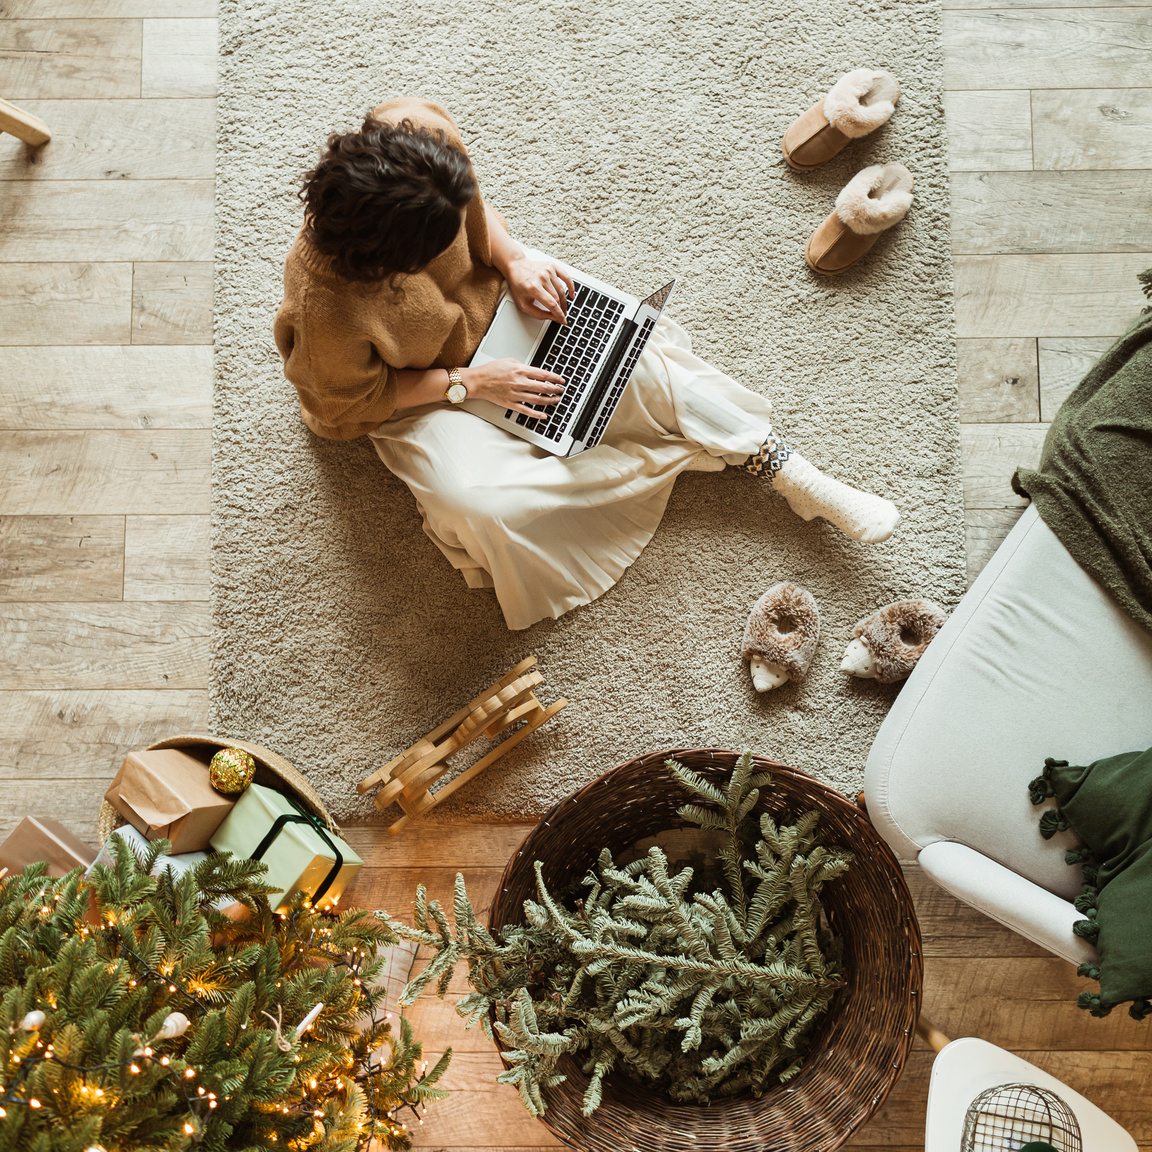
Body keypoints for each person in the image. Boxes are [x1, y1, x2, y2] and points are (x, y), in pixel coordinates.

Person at [274, 97, 900, 631]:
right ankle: (682, 455)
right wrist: (469, 384)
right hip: (421, 393)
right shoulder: (324, 307)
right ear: (386, 261)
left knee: (642, 362)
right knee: (483, 504)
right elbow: (338, 411)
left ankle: (786, 469)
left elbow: (475, 213)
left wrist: (514, 260)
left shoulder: (416, 133)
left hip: (505, 305)